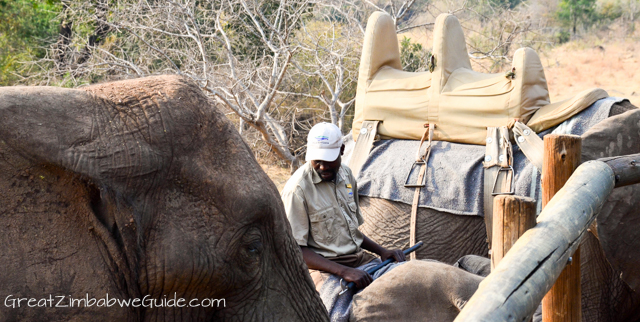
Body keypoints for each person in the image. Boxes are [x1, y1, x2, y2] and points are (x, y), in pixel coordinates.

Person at [281, 122, 406, 292]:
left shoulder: (346, 176)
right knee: (334, 310)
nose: (323, 167)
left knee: (402, 282)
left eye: (329, 160)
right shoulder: (297, 190)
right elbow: (295, 250)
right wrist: (344, 271)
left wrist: (382, 251)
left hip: (358, 260)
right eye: (317, 161)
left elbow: (350, 231)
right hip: (321, 268)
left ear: (341, 150)